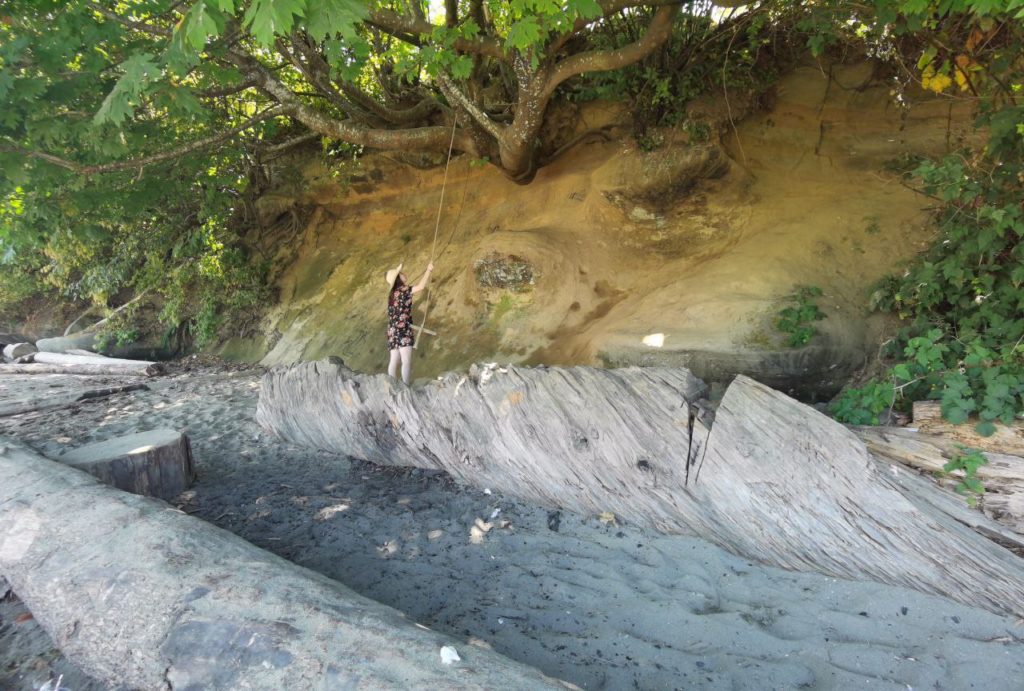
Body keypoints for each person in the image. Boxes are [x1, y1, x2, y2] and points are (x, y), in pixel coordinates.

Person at [385, 261, 434, 384]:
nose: (403, 274)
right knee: (406, 361)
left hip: (392, 330)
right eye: (400, 273)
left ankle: (392, 386)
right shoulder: (404, 290)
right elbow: (421, 287)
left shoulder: (392, 294)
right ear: (398, 278)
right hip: (403, 329)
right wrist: (428, 270)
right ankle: (406, 387)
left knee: (393, 361)